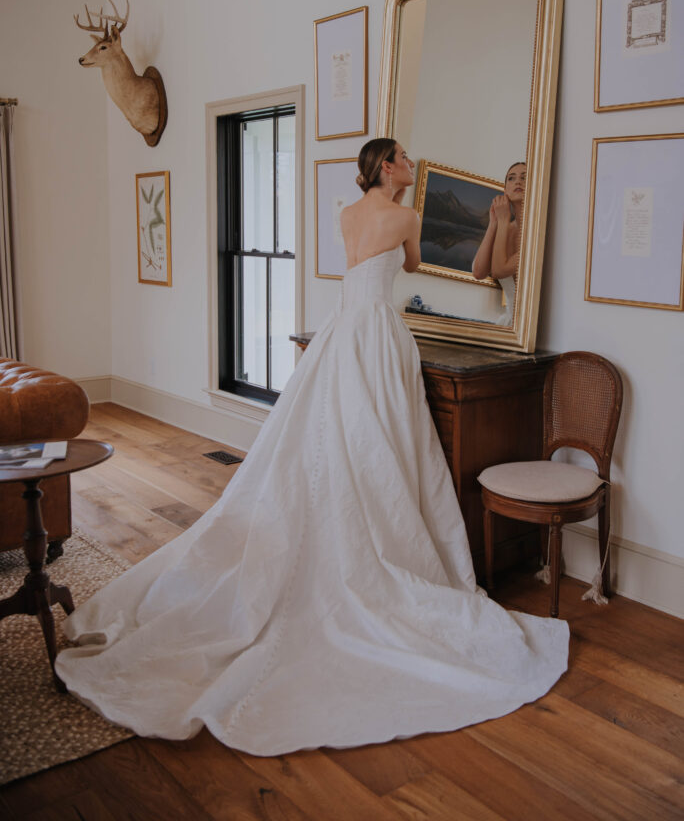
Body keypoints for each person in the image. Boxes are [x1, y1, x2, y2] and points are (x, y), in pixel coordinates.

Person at [56, 139, 567, 756]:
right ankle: (365, 542)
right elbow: (409, 266)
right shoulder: (406, 216)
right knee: (378, 438)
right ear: (386, 168)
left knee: (333, 435)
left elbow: (365, 265)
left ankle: (334, 520)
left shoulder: (347, 213)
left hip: (340, 330)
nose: (412, 164)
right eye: (404, 158)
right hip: (377, 333)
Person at [472, 162, 526, 325]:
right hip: (509, 323)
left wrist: (503, 220)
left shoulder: (536, 232)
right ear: (505, 190)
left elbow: (499, 270)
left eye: (525, 177)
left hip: (530, 323)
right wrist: (494, 223)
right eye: (511, 178)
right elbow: (479, 272)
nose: (518, 182)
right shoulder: (504, 228)